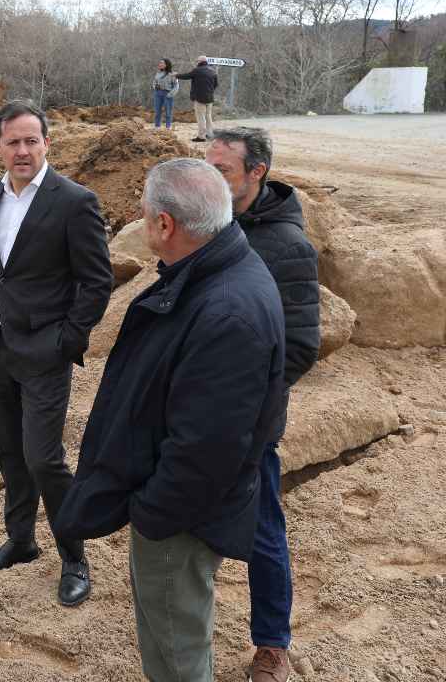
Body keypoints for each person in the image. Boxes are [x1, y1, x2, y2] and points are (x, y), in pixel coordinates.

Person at [55, 158, 286, 681]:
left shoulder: (226, 310)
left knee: (176, 656)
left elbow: (206, 448)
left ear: (165, 225)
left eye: (144, 214)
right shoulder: (216, 274)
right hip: (184, 508)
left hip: (181, 521)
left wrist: (153, 515)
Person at [0, 99, 113, 607]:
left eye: (32, 140)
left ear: (47, 143)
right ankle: (22, 541)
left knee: (45, 460)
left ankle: (74, 556)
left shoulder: (74, 201)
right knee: (10, 453)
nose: (23, 151)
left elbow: (97, 282)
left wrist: (67, 340)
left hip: (44, 353)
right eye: (13, 142)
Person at [206, 127, 320, 682]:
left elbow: (299, 346)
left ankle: (272, 644)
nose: (211, 181)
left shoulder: (288, 247)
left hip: (249, 421)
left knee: (263, 530)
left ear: (258, 172)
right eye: (208, 169)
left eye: (222, 172)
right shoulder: (206, 224)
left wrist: (242, 405)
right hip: (191, 412)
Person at [176, 56, 219, 141]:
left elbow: (186, 76)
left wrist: (176, 75)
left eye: (197, 61)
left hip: (199, 98)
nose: (196, 62)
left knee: (201, 117)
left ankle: (201, 136)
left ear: (200, 61)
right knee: (208, 116)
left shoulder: (197, 70)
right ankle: (210, 134)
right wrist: (210, 91)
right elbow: (216, 85)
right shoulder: (213, 71)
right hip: (210, 98)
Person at [151, 58, 179, 129]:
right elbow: (154, 82)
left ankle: (168, 127)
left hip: (167, 93)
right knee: (157, 111)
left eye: (162, 63)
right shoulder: (158, 73)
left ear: (166, 65)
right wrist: (154, 87)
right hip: (158, 93)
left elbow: (176, 86)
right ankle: (157, 127)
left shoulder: (172, 74)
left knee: (168, 112)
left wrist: (170, 94)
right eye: (159, 63)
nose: (160, 64)